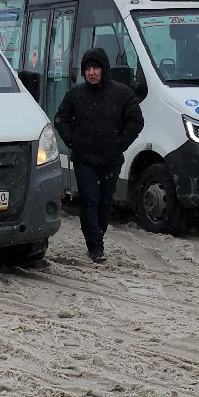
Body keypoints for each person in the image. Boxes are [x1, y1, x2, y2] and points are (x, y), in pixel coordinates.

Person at [53, 48, 142, 263]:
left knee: (105, 202)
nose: (92, 73)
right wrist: (72, 141)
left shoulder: (122, 94)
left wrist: (120, 143)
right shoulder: (75, 95)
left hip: (111, 159)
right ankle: (95, 246)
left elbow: (136, 121)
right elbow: (60, 119)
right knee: (89, 200)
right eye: (88, 69)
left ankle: (97, 236)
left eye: (96, 68)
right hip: (84, 159)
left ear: (104, 70)